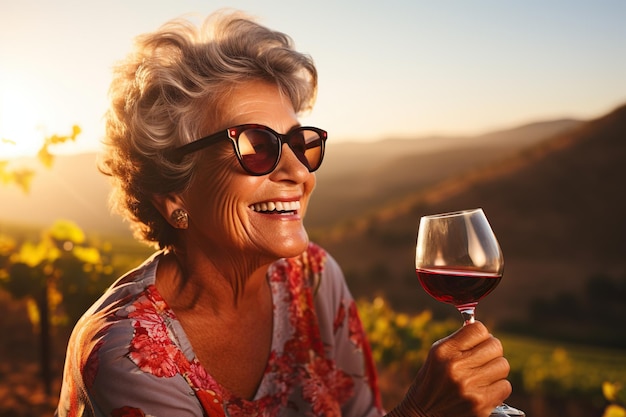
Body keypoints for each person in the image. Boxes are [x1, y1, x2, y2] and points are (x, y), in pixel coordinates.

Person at [55, 10, 511, 417]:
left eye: (299, 141)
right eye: (256, 145)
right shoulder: (126, 352)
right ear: (174, 193)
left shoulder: (313, 277)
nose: (298, 170)